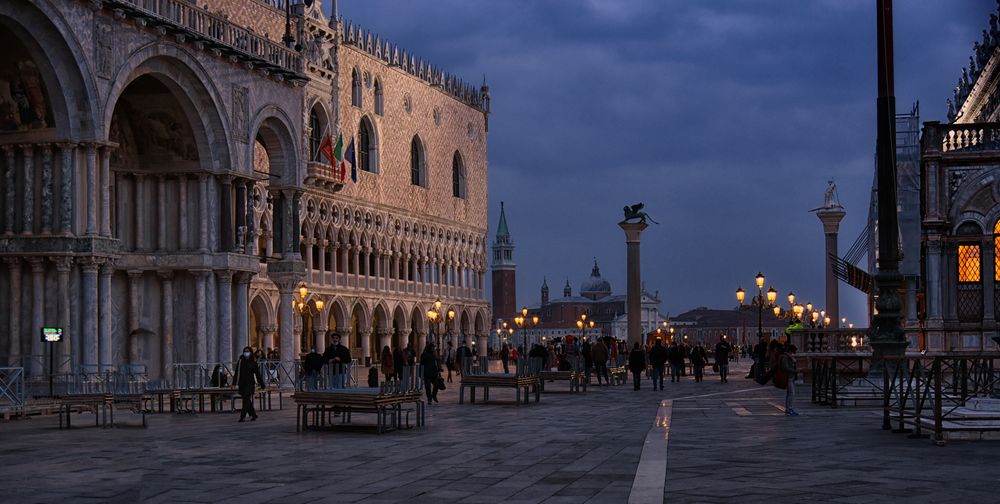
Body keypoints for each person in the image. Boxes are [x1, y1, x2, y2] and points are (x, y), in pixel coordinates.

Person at [233, 346, 264, 422]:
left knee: (245, 400)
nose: (246, 353)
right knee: (247, 400)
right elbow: (237, 373)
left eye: (248, 351)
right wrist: (234, 383)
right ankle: (253, 415)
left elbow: (257, 374)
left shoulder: (253, 362)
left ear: (250, 352)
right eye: (245, 351)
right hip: (242, 384)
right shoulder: (240, 361)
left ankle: (242, 417)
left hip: (250, 384)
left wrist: (261, 383)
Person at [780, 344, 799, 416]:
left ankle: (788, 409)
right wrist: (794, 371)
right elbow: (785, 368)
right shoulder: (785, 357)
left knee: (789, 394)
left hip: (791, 377)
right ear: (790, 351)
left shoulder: (789, 357)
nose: (793, 353)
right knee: (791, 393)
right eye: (793, 352)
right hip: (788, 377)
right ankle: (789, 409)